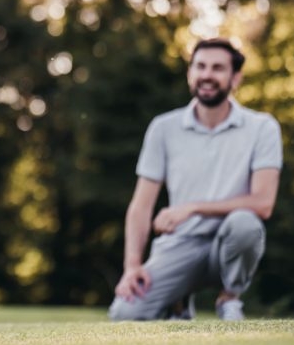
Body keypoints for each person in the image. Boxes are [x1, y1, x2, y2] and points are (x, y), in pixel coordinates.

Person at [108, 38, 282, 321]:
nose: (207, 75)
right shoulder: (163, 128)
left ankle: (230, 298)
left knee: (245, 223)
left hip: (230, 244)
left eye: (217, 68)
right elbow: (141, 206)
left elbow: (263, 204)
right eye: (200, 66)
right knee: (125, 314)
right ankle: (179, 301)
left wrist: (192, 207)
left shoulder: (262, 127)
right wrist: (132, 266)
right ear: (190, 73)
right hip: (181, 245)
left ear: (235, 78)